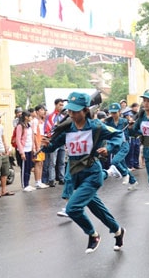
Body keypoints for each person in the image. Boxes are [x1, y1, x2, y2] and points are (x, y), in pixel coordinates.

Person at [41, 91, 125, 253]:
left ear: (86, 110)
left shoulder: (96, 126)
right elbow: (53, 146)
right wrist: (46, 144)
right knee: (98, 210)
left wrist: (108, 148)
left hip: (92, 173)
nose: (71, 114)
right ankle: (118, 231)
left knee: (72, 208)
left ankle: (93, 235)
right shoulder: (67, 128)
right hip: (75, 174)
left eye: (75, 110)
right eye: (69, 110)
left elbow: (118, 135)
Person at [103, 102, 138, 188]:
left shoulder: (124, 121)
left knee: (114, 161)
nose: (113, 114)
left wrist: (131, 126)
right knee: (123, 165)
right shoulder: (108, 122)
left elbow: (133, 132)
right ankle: (133, 182)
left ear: (119, 112)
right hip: (115, 146)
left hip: (124, 145)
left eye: (115, 112)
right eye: (112, 112)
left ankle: (125, 174)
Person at [44, 98, 66, 186]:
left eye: (62, 105)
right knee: (52, 161)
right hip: (54, 141)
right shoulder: (50, 117)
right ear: (55, 105)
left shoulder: (63, 117)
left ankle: (62, 178)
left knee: (62, 161)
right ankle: (51, 179)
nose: (61, 107)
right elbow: (47, 129)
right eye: (60, 105)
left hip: (62, 141)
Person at [13, 110, 37, 192]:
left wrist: (33, 148)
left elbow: (32, 138)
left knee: (29, 167)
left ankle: (28, 183)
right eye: (29, 116)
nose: (31, 117)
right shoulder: (20, 126)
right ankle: (24, 184)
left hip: (29, 149)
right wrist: (21, 152)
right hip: (24, 149)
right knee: (24, 168)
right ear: (26, 117)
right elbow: (18, 140)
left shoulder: (29, 126)